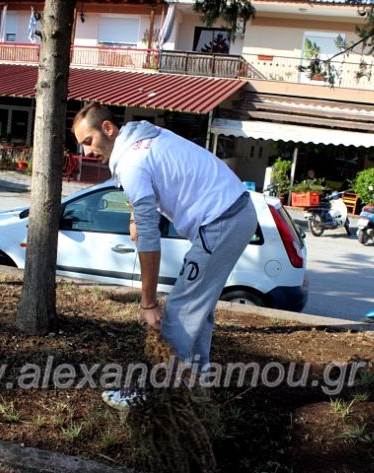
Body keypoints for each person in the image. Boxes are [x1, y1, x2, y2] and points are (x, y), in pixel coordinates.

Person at [72, 102, 257, 410]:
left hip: (222, 221)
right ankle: (197, 386)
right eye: (81, 146)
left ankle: (158, 397)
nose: (86, 152)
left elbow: (149, 236)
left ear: (108, 129)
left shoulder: (130, 162)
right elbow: (153, 178)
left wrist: (147, 302)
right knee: (199, 308)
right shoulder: (145, 137)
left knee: (178, 312)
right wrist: (135, 215)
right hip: (235, 212)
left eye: (88, 142)